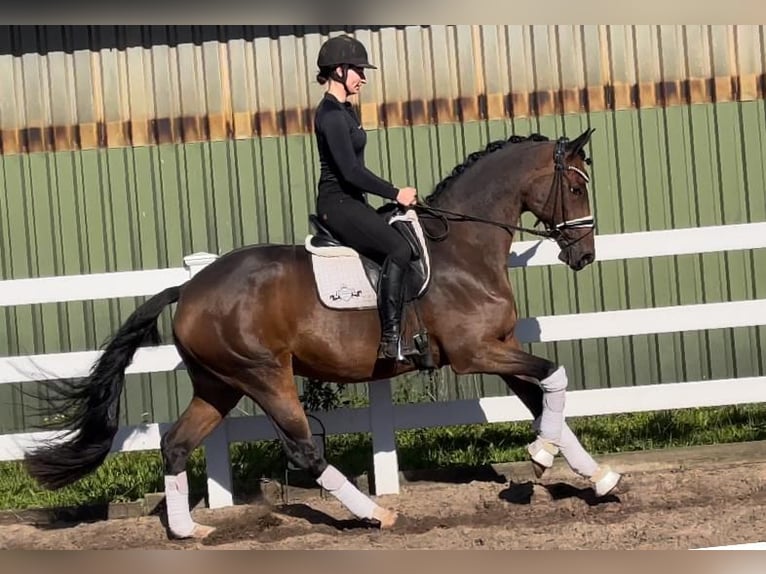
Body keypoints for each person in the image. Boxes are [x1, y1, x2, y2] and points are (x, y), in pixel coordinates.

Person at [312, 35, 418, 361]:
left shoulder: (346, 112)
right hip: (337, 204)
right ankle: (390, 339)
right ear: (339, 70)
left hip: (353, 202)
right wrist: (395, 192)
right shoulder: (330, 115)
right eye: (358, 69)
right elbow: (350, 172)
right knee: (399, 248)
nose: (363, 76)